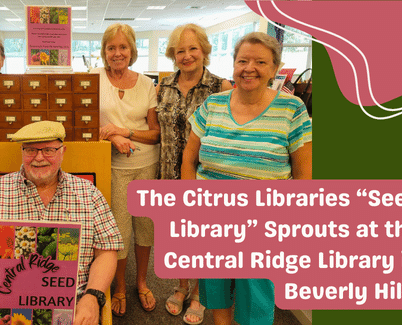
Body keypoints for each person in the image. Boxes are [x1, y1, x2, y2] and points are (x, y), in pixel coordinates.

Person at [182, 32, 312, 325]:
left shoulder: (292, 110)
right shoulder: (213, 105)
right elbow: (189, 158)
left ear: (274, 67)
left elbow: (305, 176)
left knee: (256, 294)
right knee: (215, 286)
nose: (249, 68)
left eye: (260, 62)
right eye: (242, 60)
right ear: (233, 65)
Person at [0, 121, 124, 325]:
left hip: (72, 309)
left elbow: (107, 251)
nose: (39, 157)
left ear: (62, 151)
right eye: (31, 150)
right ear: (22, 152)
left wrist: (92, 297)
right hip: (4, 311)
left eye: (49, 150)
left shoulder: (89, 194)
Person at [156, 23, 232, 325]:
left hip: (204, 176)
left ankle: (199, 296)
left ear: (204, 51)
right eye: (180, 50)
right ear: (173, 55)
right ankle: (182, 285)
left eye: (192, 49)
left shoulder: (221, 87)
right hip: (168, 173)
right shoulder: (164, 86)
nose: (186, 56)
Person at [90, 23, 160, 317]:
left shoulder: (146, 84)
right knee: (117, 231)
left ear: (132, 51)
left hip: (147, 164)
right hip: (113, 166)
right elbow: (83, 121)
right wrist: (112, 135)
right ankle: (119, 286)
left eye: (123, 47)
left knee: (145, 227)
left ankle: (141, 281)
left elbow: (155, 133)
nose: (117, 53)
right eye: (111, 48)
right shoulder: (93, 79)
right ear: (104, 52)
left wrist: (125, 131)